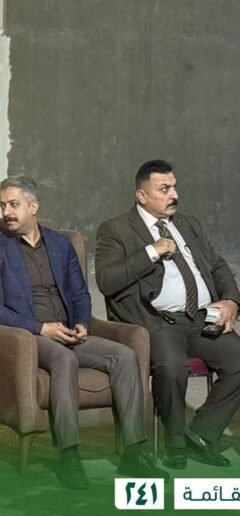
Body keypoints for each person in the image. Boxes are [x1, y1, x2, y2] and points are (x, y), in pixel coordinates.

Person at [0, 176, 166, 489]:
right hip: (28, 337)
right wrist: (41, 328)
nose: (6, 212)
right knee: (64, 359)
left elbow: (79, 293)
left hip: (67, 331)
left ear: (33, 206)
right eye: (3, 205)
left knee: (125, 355)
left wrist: (81, 324)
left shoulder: (61, 244)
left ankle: (133, 453)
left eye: (13, 204)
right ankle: (69, 455)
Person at [96, 159, 240, 469]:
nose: (174, 195)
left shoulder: (189, 224)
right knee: (172, 367)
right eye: (164, 189)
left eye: (174, 188)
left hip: (201, 317)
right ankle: (175, 442)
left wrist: (230, 300)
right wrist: (152, 251)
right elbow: (106, 280)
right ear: (142, 196)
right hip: (158, 321)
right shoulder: (116, 229)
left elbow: (216, 266)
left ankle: (200, 435)